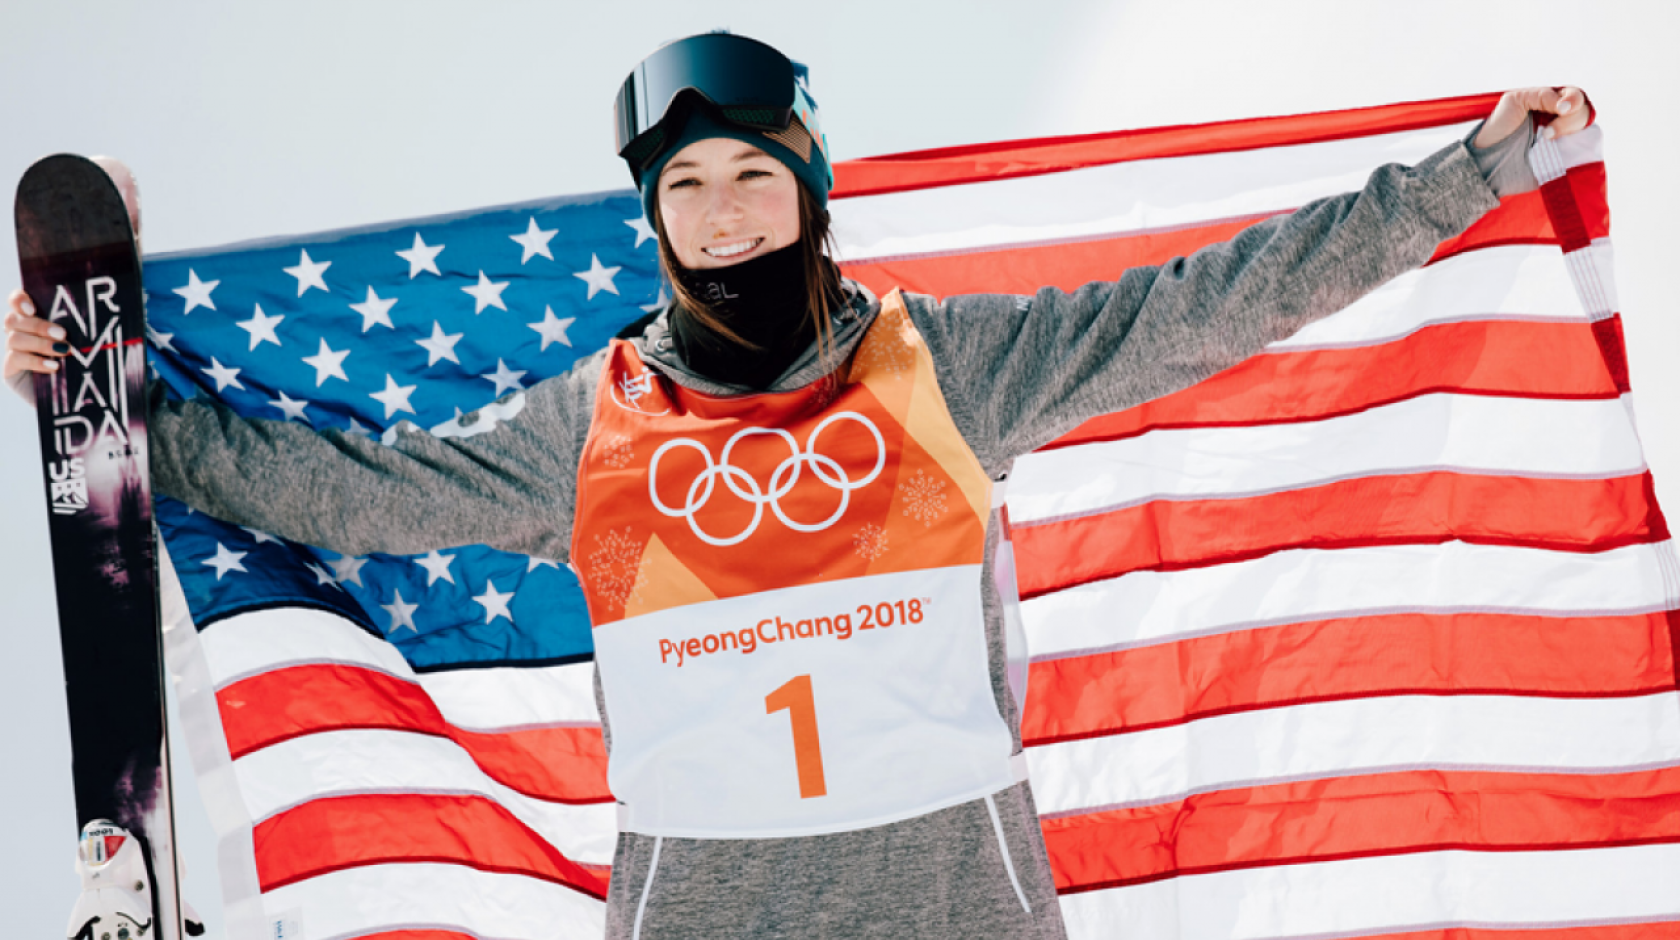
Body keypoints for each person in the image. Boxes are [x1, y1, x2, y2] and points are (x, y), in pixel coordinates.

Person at [5, 31, 1591, 940]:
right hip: (701, 906)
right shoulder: (600, 420)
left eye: (755, 173)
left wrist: (1462, 179)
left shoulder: (945, 369)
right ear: (654, 220)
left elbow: (1210, 302)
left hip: (954, 891)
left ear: (810, 187)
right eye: (685, 187)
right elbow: (358, 494)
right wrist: (114, 412)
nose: (722, 211)